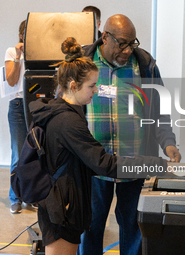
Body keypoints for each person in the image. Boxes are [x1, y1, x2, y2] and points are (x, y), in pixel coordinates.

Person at [28, 37, 168, 255]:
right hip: (62, 208)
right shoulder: (69, 122)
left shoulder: (60, 112)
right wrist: (154, 164)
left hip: (64, 203)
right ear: (73, 86)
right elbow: (103, 163)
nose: (96, 91)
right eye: (92, 86)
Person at [77, 14, 182, 255]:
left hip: (134, 164)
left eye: (132, 43)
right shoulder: (83, 64)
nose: (127, 50)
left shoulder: (145, 66)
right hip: (93, 165)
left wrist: (168, 143)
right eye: (122, 43)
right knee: (89, 227)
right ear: (104, 37)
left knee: (133, 228)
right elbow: (65, 109)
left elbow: (159, 111)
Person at [4, 20, 28, 214]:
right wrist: (19, 57)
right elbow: (11, 81)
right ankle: (16, 197)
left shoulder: (40, 52)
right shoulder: (12, 52)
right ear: (21, 35)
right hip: (19, 106)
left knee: (36, 154)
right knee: (18, 154)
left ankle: (32, 195)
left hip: (37, 106)